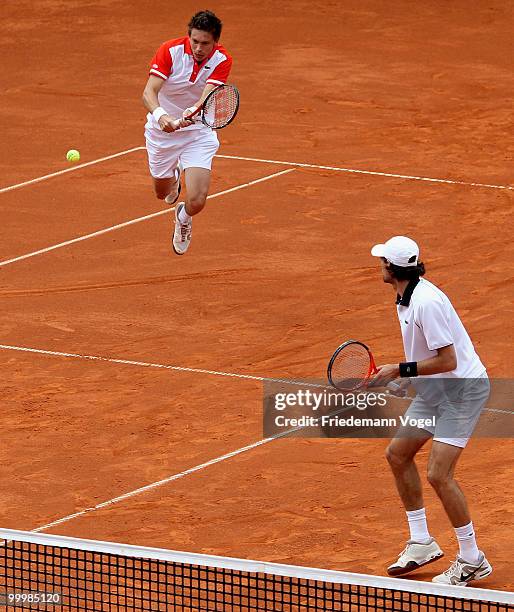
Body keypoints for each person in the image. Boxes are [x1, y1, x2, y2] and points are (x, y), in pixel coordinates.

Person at [369, 236, 492, 586]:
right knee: (397, 454)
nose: (379, 266)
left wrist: (399, 370)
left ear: (392, 268)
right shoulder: (404, 298)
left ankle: (472, 559)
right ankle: (421, 542)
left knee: (439, 473)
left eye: (381, 262)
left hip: (462, 392)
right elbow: (424, 353)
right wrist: (404, 382)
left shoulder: (426, 303)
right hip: (436, 391)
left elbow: (449, 360)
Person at [142, 10, 233, 255]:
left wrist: (192, 111)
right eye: (194, 41)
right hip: (162, 133)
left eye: (205, 43)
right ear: (188, 36)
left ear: (215, 42)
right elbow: (149, 92)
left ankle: (183, 216)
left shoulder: (222, 59)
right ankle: (173, 181)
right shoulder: (169, 51)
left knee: (197, 200)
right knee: (162, 193)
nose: (198, 48)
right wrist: (162, 117)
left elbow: (207, 96)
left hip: (198, 132)